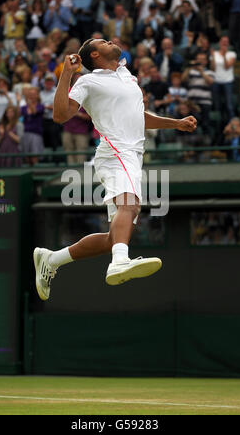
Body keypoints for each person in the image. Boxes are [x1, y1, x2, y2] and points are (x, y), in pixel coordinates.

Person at [34, 37, 197, 301]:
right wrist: (67, 73)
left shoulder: (127, 76)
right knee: (130, 205)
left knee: (113, 238)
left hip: (132, 154)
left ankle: (52, 259)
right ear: (95, 54)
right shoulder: (87, 81)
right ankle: (119, 262)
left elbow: (138, 116)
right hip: (115, 153)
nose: (110, 41)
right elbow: (61, 115)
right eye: (103, 41)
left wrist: (175, 123)